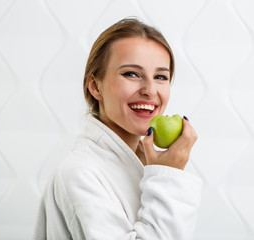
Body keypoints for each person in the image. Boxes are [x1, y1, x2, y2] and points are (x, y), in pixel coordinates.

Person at [33, 17, 202, 240]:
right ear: (95, 86)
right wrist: (168, 178)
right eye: (131, 74)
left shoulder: (150, 164)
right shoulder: (79, 173)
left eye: (161, 76)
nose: (150, 90)